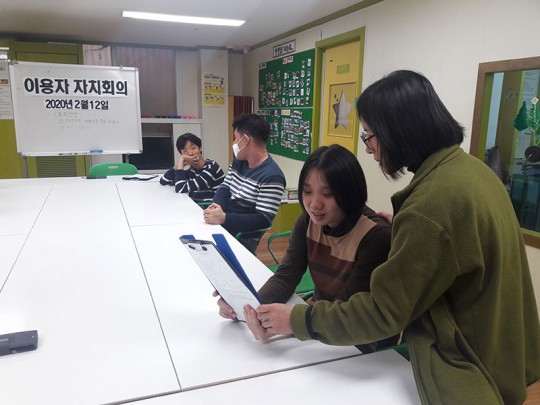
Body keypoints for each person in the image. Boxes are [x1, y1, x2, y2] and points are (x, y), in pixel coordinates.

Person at [244, 70, 540, 404]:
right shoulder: (472, 172)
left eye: (370, 135)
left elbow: (383, 312)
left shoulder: (429, 208)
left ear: (398, 131)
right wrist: (409, 229)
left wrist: (298, 319)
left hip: (470, 370)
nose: (370, 149)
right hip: (504, 353)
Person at [215, 144, 399, 353]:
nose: (314, 204)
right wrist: (246, 308)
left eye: (327, 194)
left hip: (361, 345)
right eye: (307, 191)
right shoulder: (308, 221)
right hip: (318, 328)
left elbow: (345, 309)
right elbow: (286, 276)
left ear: (350, 193)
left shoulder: (375, 237)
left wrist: (289, 323)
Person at [204, 114, 285, 253]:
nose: (234, 143)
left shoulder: (272, 176)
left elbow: (263, 219)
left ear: (246, 140)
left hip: (241, 237)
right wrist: (216, 207)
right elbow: (225, 186)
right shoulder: (239, 161)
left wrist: (224, 218)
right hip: (221, 226)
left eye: (236, 138)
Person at [159, 132, 224, 202]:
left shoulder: (211, 168)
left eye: (193, 148)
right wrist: (181, 164)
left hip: (207, 206)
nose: (190, 153)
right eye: (185, 151)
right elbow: (164, 181)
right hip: (195, 204)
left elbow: (180, 188)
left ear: (200, 148)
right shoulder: (193, 170)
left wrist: (181, 160)